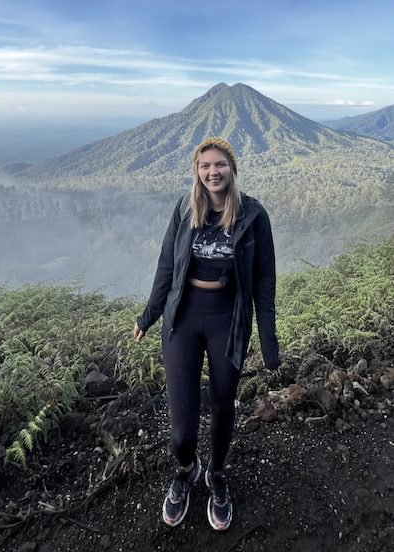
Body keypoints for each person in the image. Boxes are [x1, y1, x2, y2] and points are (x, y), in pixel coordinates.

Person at [133, 137, 279, 531]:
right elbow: (167, 265)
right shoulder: (185, 208)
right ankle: (186, 469)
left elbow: (265, 281)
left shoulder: (253, 215)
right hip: (183, 317)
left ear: (232, 168)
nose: (212, 172)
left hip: (227, 320)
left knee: (222, 405)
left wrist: (269, 342)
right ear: (196, 171)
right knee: (181, 427)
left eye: (220, 165)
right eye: (204, 166)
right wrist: (148, 315)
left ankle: (216, 474)